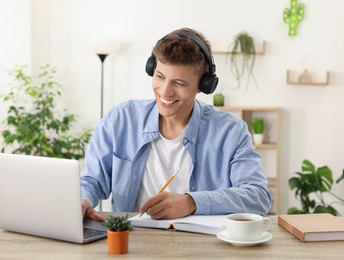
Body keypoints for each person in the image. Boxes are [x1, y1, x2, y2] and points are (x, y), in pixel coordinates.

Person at [81, 28, 272, 221]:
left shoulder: (230, 131)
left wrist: (192, 203)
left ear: (203, 86)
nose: (165, 92)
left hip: (201, 246)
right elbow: (91, 180)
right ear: (151, 69)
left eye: (179, 83)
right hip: (131, 240)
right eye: (160, 76)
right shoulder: (120, 120)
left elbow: (258, 197)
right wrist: (83, 200)